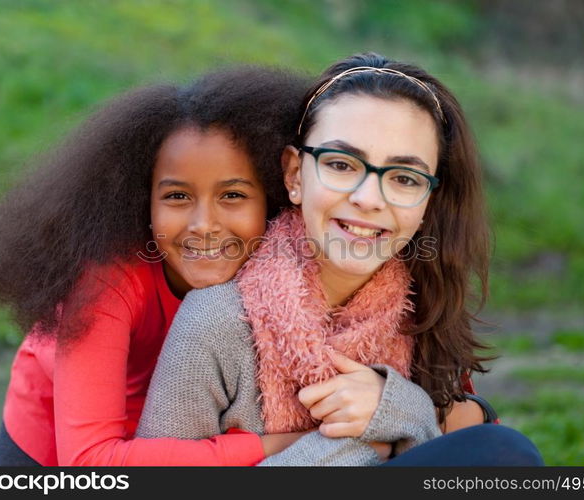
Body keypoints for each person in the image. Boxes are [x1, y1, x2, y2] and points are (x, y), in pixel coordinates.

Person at [136, 53, 544, 466]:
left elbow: (463, 438)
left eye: (404, 178)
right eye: (340, 164)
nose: (368, 198)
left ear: (428, 201)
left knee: (504, 454)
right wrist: (357, 446)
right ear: (295, 175)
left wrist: (404, 409)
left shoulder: (420, 310)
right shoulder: (216, 321)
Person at [0, 66, 313, 466]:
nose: (204, 225)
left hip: (178, 433)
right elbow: (90, 460)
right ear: (144, 203)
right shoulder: (107, 281)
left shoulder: (280, 262)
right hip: (56, 444)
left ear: (273, 197)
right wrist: (268, 446)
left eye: (233, 195)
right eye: (176, 197)